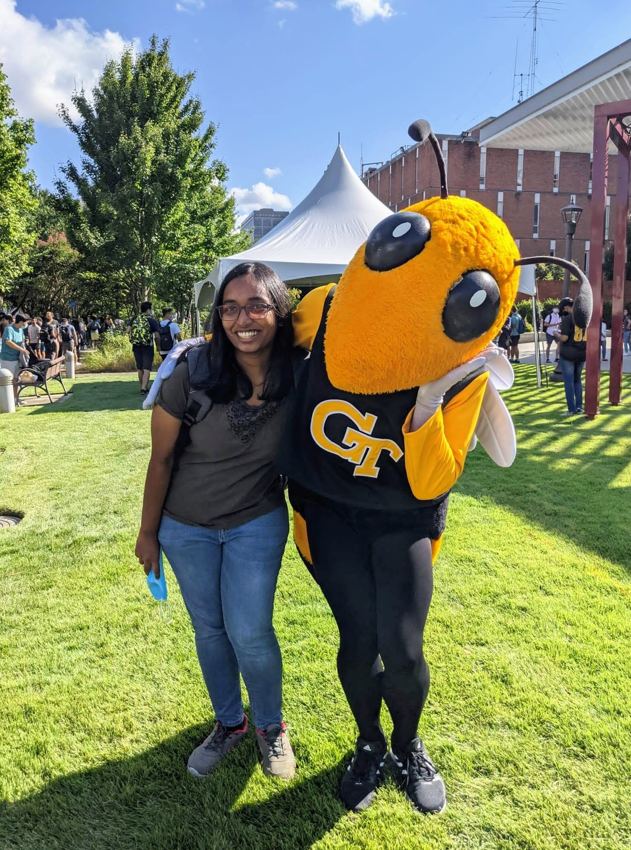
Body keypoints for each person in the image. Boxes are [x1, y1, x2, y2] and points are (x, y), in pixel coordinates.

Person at [135, 262, 297, 780]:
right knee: (210, 629)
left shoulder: (303, 371)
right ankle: (230, 724)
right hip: (186, 527)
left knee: (249, 631)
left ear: (279, 309)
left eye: (256, 305)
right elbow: (160, 460)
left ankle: (271, 727)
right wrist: (148, 532)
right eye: (229, 307)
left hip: (257, 520)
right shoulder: (194, 371)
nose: (241, 318)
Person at [554, 296, 586, 417]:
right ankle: (579, 407)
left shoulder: (568, 319)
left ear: (566, 307)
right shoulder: (584, 318)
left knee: (569, 382)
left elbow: (564, 338)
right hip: (582, 353)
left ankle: (571, 409)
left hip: (568, 353)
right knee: (578, 381)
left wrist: (556, 333)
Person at [130, 302, 160, 394]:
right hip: (147, 346)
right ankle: (143, 388)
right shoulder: (151, 321)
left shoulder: (135, 318)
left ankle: (143, 386)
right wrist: (158, 345)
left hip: (136, 346)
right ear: (148, 310)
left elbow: (127, 330)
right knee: (146, 368)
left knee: (140, 368)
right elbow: (157, 335)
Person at [1, 314, 29, 405]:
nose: (26, 324)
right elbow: (8, 341)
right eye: (25, 322)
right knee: (9, 380)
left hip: (17, 358)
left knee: (16, 379)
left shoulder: (20, 330)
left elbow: (22, 341)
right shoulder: (9, 329)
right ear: (21, 322)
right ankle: (9, 400)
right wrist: (21, 349)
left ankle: (15, 398)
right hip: (8, 359)